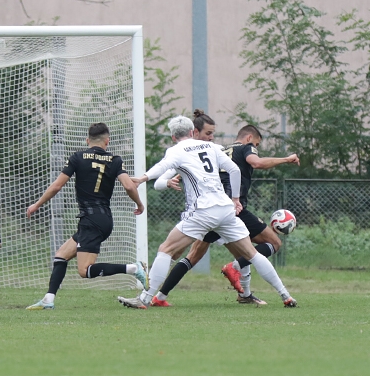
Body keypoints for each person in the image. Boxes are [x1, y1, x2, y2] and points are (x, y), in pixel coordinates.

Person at [118, 116, 297, 309]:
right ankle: (285, 295)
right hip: (225, 209)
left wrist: (143, 178)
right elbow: (234, 170)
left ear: (173, 136)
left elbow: (163, 167)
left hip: (203, 210)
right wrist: (235, 199)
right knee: (252, 254)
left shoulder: (176, 150)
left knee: (166, 250)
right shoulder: (213, 147)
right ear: (192, 132)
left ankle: (145, 298)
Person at [25, 122, 148, 310]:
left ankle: (133, 268)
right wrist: (139, 204)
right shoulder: (114, 160)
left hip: (92, 221)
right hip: (100, 219)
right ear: (107, 141)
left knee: (85, 271)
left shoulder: (77, 157)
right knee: (61, 256)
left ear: (87, 140)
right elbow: (129, 186)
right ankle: (48, 300)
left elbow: (57, 186)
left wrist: (37, 204)